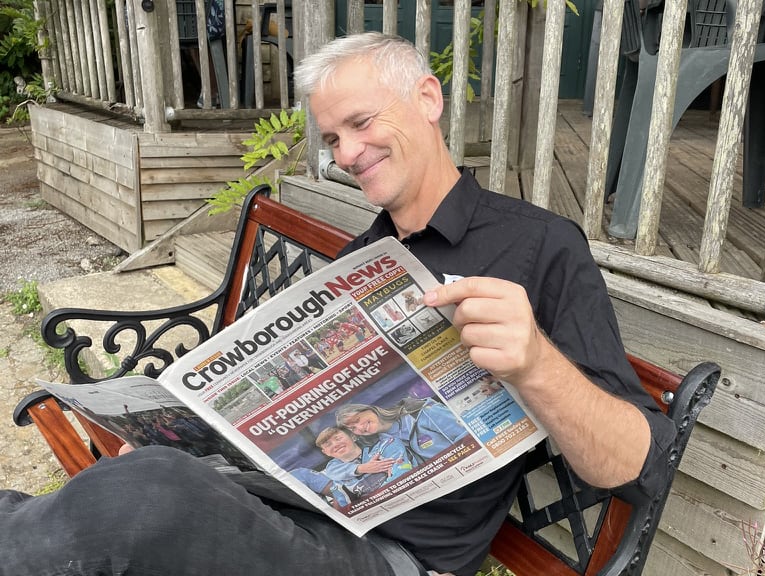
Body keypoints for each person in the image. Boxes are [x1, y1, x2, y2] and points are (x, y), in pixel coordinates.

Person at [0, 32, 674, 576]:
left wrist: (536, 364)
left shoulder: (538, 245)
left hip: (390, 555)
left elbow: (634, 469)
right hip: (287, 512)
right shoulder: (364, 257)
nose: (347, 154)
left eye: (360, 123)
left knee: (140, 502)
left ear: (428, 98)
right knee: (135, 485)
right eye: (330, 139)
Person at [336, 398, 468, 463]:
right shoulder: (379, 447)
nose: (359, 428)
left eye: (357, 419)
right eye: (353, 428)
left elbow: (467, 436)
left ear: (370, 409)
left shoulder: (423, 412)